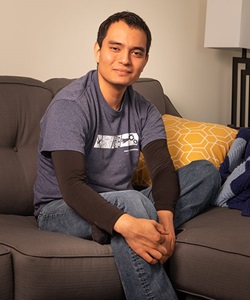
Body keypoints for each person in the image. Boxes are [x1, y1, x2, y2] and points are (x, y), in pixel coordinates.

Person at [33, 11, 221, 300]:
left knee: (205, 173)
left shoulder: (145, 109)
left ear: (145, 60)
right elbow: (71, 187)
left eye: (136, 52)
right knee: (132, 200)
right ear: (97, 50)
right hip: (60, 209)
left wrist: (165, 219)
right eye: (115, 48)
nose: (125, 60)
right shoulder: (71, 105)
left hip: (123, 199)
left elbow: (161, 170)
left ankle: (109, 228)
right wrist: (128, 224)